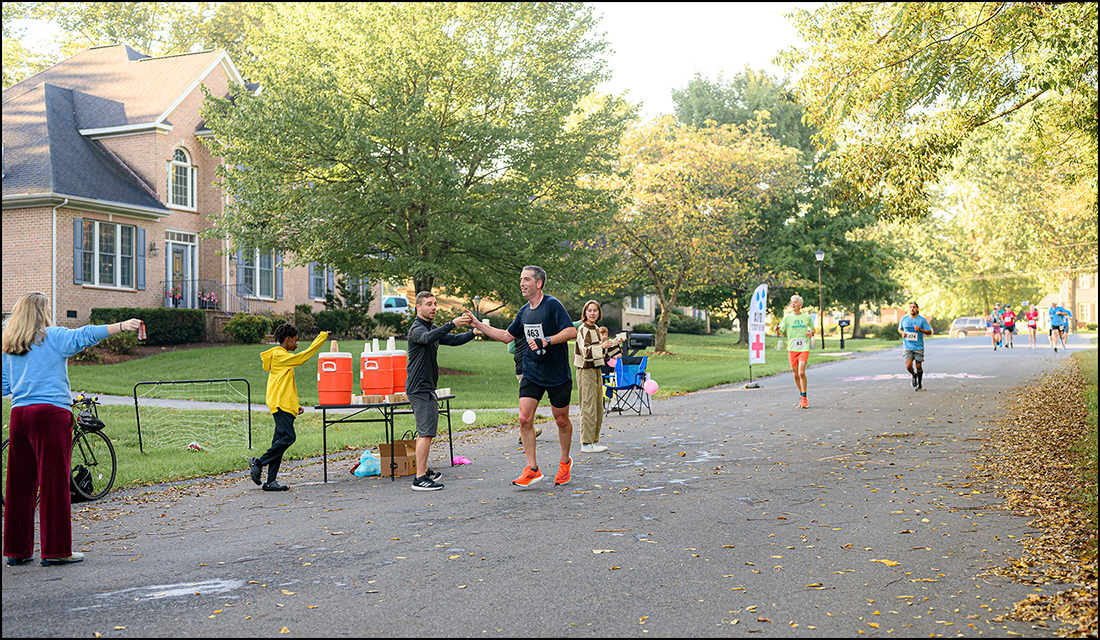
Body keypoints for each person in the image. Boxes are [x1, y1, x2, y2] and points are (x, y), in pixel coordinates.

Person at [2, 292, 142, 566]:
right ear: (41, 313)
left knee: (19, 485)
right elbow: (85, 335)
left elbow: (4, 387)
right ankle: (56, 550)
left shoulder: (9, 346)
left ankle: (17, 551)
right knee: (54, 483)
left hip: (19, 415)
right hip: (50, 415)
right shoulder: (52, 337)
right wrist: (122, 326)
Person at [467, 266, 578, 487]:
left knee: (561, 420)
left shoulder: (552, 305)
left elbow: (571, 332)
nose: (522, 283)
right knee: (524, 418)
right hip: (532, 371)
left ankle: (565, 461)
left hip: (556, 374)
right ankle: (532, 468)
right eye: (520, 279)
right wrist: (479, 325)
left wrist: (547, 340)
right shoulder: (524, 311)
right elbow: (507, 336)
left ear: (539, 283)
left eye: (526, 279)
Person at [405, 292, 476, 491]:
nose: (434, 307)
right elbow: (427, 338)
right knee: (425, 433)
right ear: (418, 308)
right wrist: (453, 323)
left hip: (427, 387)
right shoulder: (417, 330)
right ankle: (419, 478)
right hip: (419, 388)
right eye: (429, 304)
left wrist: (473, 333)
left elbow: (452, 340)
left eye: (435, 304)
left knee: (428, 431)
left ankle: (423, 469)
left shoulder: (430, 327)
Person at [250, 323, 330, 491]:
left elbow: (285, 384)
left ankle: (270, 481)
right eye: (295, 339)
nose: (297, 343)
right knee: (289, 438)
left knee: (279, 443)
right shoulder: (279, 355)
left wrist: (295, 404)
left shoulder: (281, 356)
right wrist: (321, 337)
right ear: (287, 339)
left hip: (284, 404)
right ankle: (259, 462)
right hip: (280, 405)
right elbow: (302, 357)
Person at [573, 300, 623, 454]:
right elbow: (586, 352)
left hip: (596, 370)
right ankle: (586, 443)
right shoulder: (583, 329)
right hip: (585, 371)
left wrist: (615, 343)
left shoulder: (595, 328)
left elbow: (601, 353)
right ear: (585, 313)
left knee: (598, 407)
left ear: (599, 313)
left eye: (595, 310)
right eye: (590, 310)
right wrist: (601, 346)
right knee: (588, 407)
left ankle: (594, 441)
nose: (593, 313)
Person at [773, 294, 814, 408]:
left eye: (795, 302)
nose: (792, 304)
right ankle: (801, 396)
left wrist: (812, 333)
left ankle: (804, 397)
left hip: (804, 348)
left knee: (801, 372)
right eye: (791, 302)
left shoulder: (807, 317)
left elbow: (813, 328)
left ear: (800, 305)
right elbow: (780, 331)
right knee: (795, 373)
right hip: (792, 349)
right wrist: (776, 330)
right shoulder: (787, 317)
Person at [898, 301, 933, 391]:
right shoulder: (904, 319)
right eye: (910, 307)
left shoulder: (921, 320)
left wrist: (920, 329)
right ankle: (914, 375)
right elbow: (900, 329)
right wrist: (902, 333)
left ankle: (920, 385)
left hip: (918, 346)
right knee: (908, 366)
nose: (912, 309)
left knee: (918, 366)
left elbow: (929, 332)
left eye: (914, 307)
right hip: (907, 346)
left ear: (917, 309)